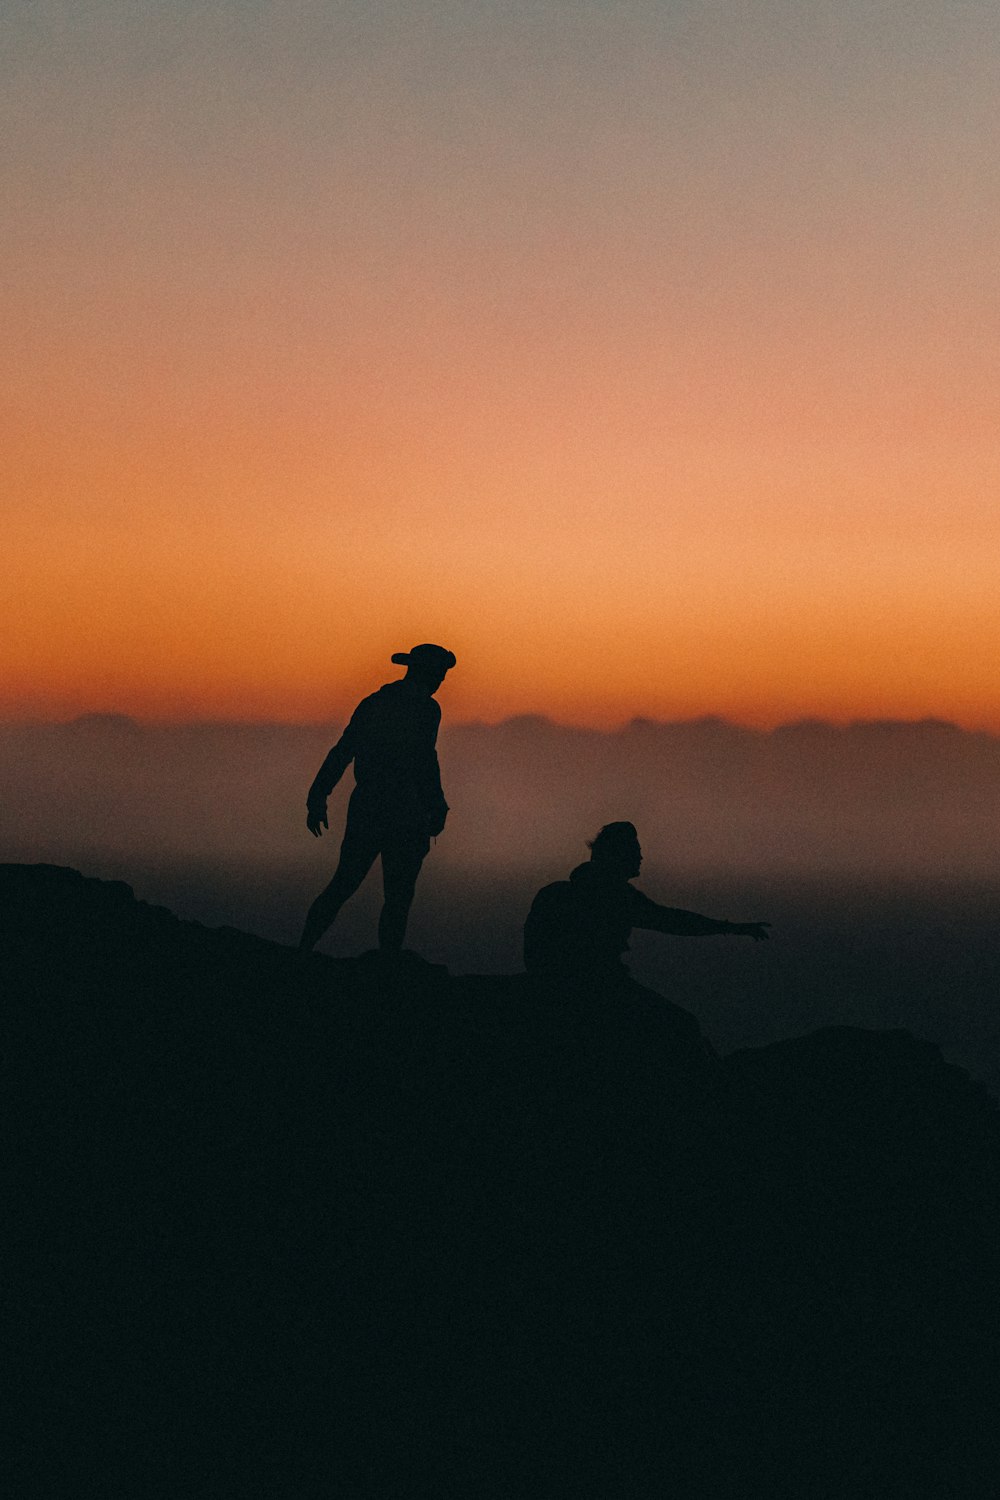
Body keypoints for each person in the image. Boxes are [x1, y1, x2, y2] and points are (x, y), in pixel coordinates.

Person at [298, 643, 456, 955]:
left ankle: (304, 949)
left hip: (371, 807)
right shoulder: (426, 710)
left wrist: (318, 795)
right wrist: (436, 805)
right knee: (397, 896)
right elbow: (425, 760)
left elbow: (344, 751)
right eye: (439, 674)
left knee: (345, 884)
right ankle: (387, 967)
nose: (441, 681)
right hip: (404, 812)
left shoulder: (376, 703)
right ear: (429, 673)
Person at [524, 821, 769, 976]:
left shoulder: (556, 892)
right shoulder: (615, 897)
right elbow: (670, 920)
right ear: (619, 856)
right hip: (593, 989)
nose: (641, 858)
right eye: (635, 852)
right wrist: (731, 928)